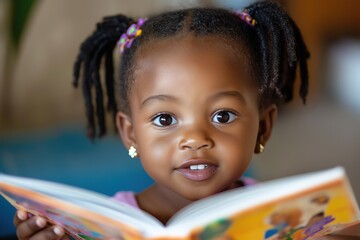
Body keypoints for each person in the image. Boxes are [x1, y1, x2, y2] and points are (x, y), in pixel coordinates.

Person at [13, 1, 312, 239]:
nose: (195, 138)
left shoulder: (286, 217)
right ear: (130, 134)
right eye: (165, 118)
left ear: (263, 127)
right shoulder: (104, 226)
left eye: (222, 115)